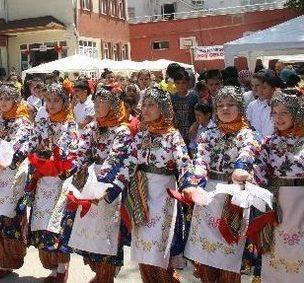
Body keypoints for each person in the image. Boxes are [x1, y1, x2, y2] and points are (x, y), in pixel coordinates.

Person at [182, 86, 260, 282]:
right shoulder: (208, 134)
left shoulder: (248, 134)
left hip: (234, 197)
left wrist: (240, 169)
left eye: (231, 104)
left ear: (240, 107)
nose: (225, 109)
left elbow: (247, 153)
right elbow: (200, 160)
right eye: (221, 105)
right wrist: (193, 183)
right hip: (208, 196)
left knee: (229, 258)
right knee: (205, 257)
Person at [60, 83, 132, 283]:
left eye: (104, 102)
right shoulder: (93, 127)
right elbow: (81, 150)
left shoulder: (122, 130)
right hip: (91, 180)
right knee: (88, 229)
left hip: (110, 183)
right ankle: (99, 273)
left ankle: (106, 275)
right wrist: (69, 165)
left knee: (108, 230)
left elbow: (115, 158)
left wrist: (102, 183)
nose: (98, 106)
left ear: (114, 105)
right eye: (97, 102)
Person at [120, 86, 193, 282]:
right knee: (143, 248)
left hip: (163, 195)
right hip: (141, 194)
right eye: (144, 105)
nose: (146, 110)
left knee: (160, 247)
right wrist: (111, 183)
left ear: (163, 108)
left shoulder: (172, 136)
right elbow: (127, 160)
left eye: (151, 105)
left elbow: (184, 162)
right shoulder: (142, 135)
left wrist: (188, 185)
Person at [21, 83, 78, 282]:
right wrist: (24, 150)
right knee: (43, 224)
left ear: (65, 102)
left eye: (56, 100)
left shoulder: (70, 125)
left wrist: (55, 157)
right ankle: (53, 270)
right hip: (43, 180)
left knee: (58, 226)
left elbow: (71, 150)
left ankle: (62, 269)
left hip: (61, 182)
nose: (51, 104)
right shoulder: (42, 123)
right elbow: (31, 141)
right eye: (48, 100)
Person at [0, 83, 33, 279]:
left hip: (14, 174)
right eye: (0, 99)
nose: (2, 103)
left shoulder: (23, 123)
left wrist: (6, 159)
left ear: (16, 101)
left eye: (7, 99)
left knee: (9, 215)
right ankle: (3, 262)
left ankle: (14, 257)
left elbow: (21, 147)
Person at [253, 89, 304, 282]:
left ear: (297, 112)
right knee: (278, 249)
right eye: (274, 112)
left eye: (284, 112)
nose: (278, 117)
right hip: (277, 204)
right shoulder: (269, 143)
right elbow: (258, 169)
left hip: (302, 203)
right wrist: (267, 197)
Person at [247, 69, 284, 138]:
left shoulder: (276, 105)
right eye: (252, 85)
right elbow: (249, 124)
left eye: (257, 85)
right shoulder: (252, 105)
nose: (254, 88)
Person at [170, 70, 199, 146]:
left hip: (192, 131)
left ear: (188, 82)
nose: (181, 85)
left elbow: (199, 114)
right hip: (177, 133)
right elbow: (171, 115)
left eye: (183, 83)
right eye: (178, 83)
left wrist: (195, 125)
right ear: (174, 84)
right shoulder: (172, 98)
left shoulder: (194, 96)